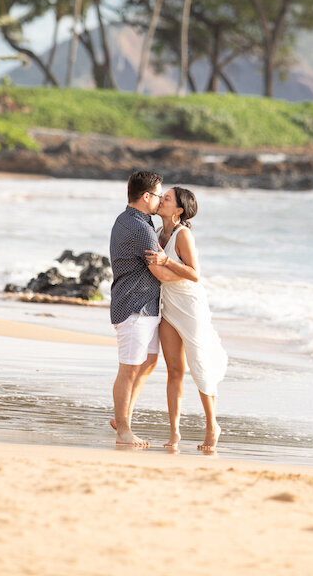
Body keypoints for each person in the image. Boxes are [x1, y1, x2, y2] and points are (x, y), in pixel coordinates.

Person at [145, 186, 228, 452]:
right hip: (168, 305)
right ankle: (174, 433)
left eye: (166, 198)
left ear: (178, 210)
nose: (161, 201)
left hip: (191, 306)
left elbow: (194, 274)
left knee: (199, 364)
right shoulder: (158, 233)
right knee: (174, 371)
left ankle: (212, 425)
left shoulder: (183, 235)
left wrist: (166, 260)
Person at [108, 170, 164, 448]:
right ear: (146, 196)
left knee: (149, 363)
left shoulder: (134, 220)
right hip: (134, 306)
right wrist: (191, 273)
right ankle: (124, 430)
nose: (161, 200)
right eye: (158, 195)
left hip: (147, 306)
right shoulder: (139, 228)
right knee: (128, 370)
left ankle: (123, 417)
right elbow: (160, 270)